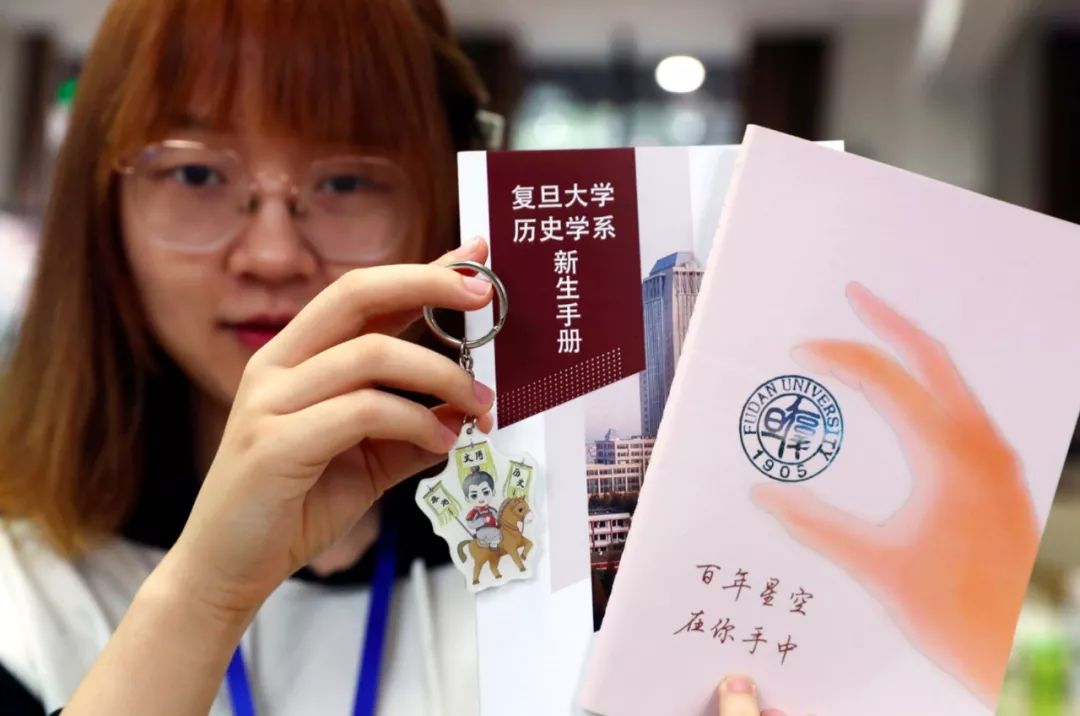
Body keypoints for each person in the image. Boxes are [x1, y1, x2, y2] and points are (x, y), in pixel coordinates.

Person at [0, 0, 499, 714]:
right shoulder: (19, 590)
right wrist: (204, 595)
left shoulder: (543, 558)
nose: (272, 256)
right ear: (101, 208)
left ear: (445, 207)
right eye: (197, 175)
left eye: (346, 182)